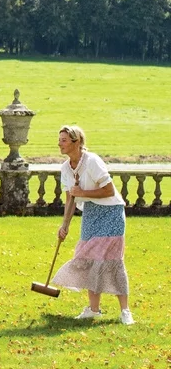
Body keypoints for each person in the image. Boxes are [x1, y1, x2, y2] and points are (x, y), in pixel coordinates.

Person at [53, 125, 133, 324]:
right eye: (59, 139)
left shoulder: (92, 161)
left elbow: (109, 191)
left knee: (112, 260)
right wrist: (65, 225)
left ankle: (125, 311)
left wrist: (83, 193)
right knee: (89, 258)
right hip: (90, 213)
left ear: (76, 142)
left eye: (64, 140)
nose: (59, 143)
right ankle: (93, 309)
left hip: (111, 212)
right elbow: (70, 198)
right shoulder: (65, 168)